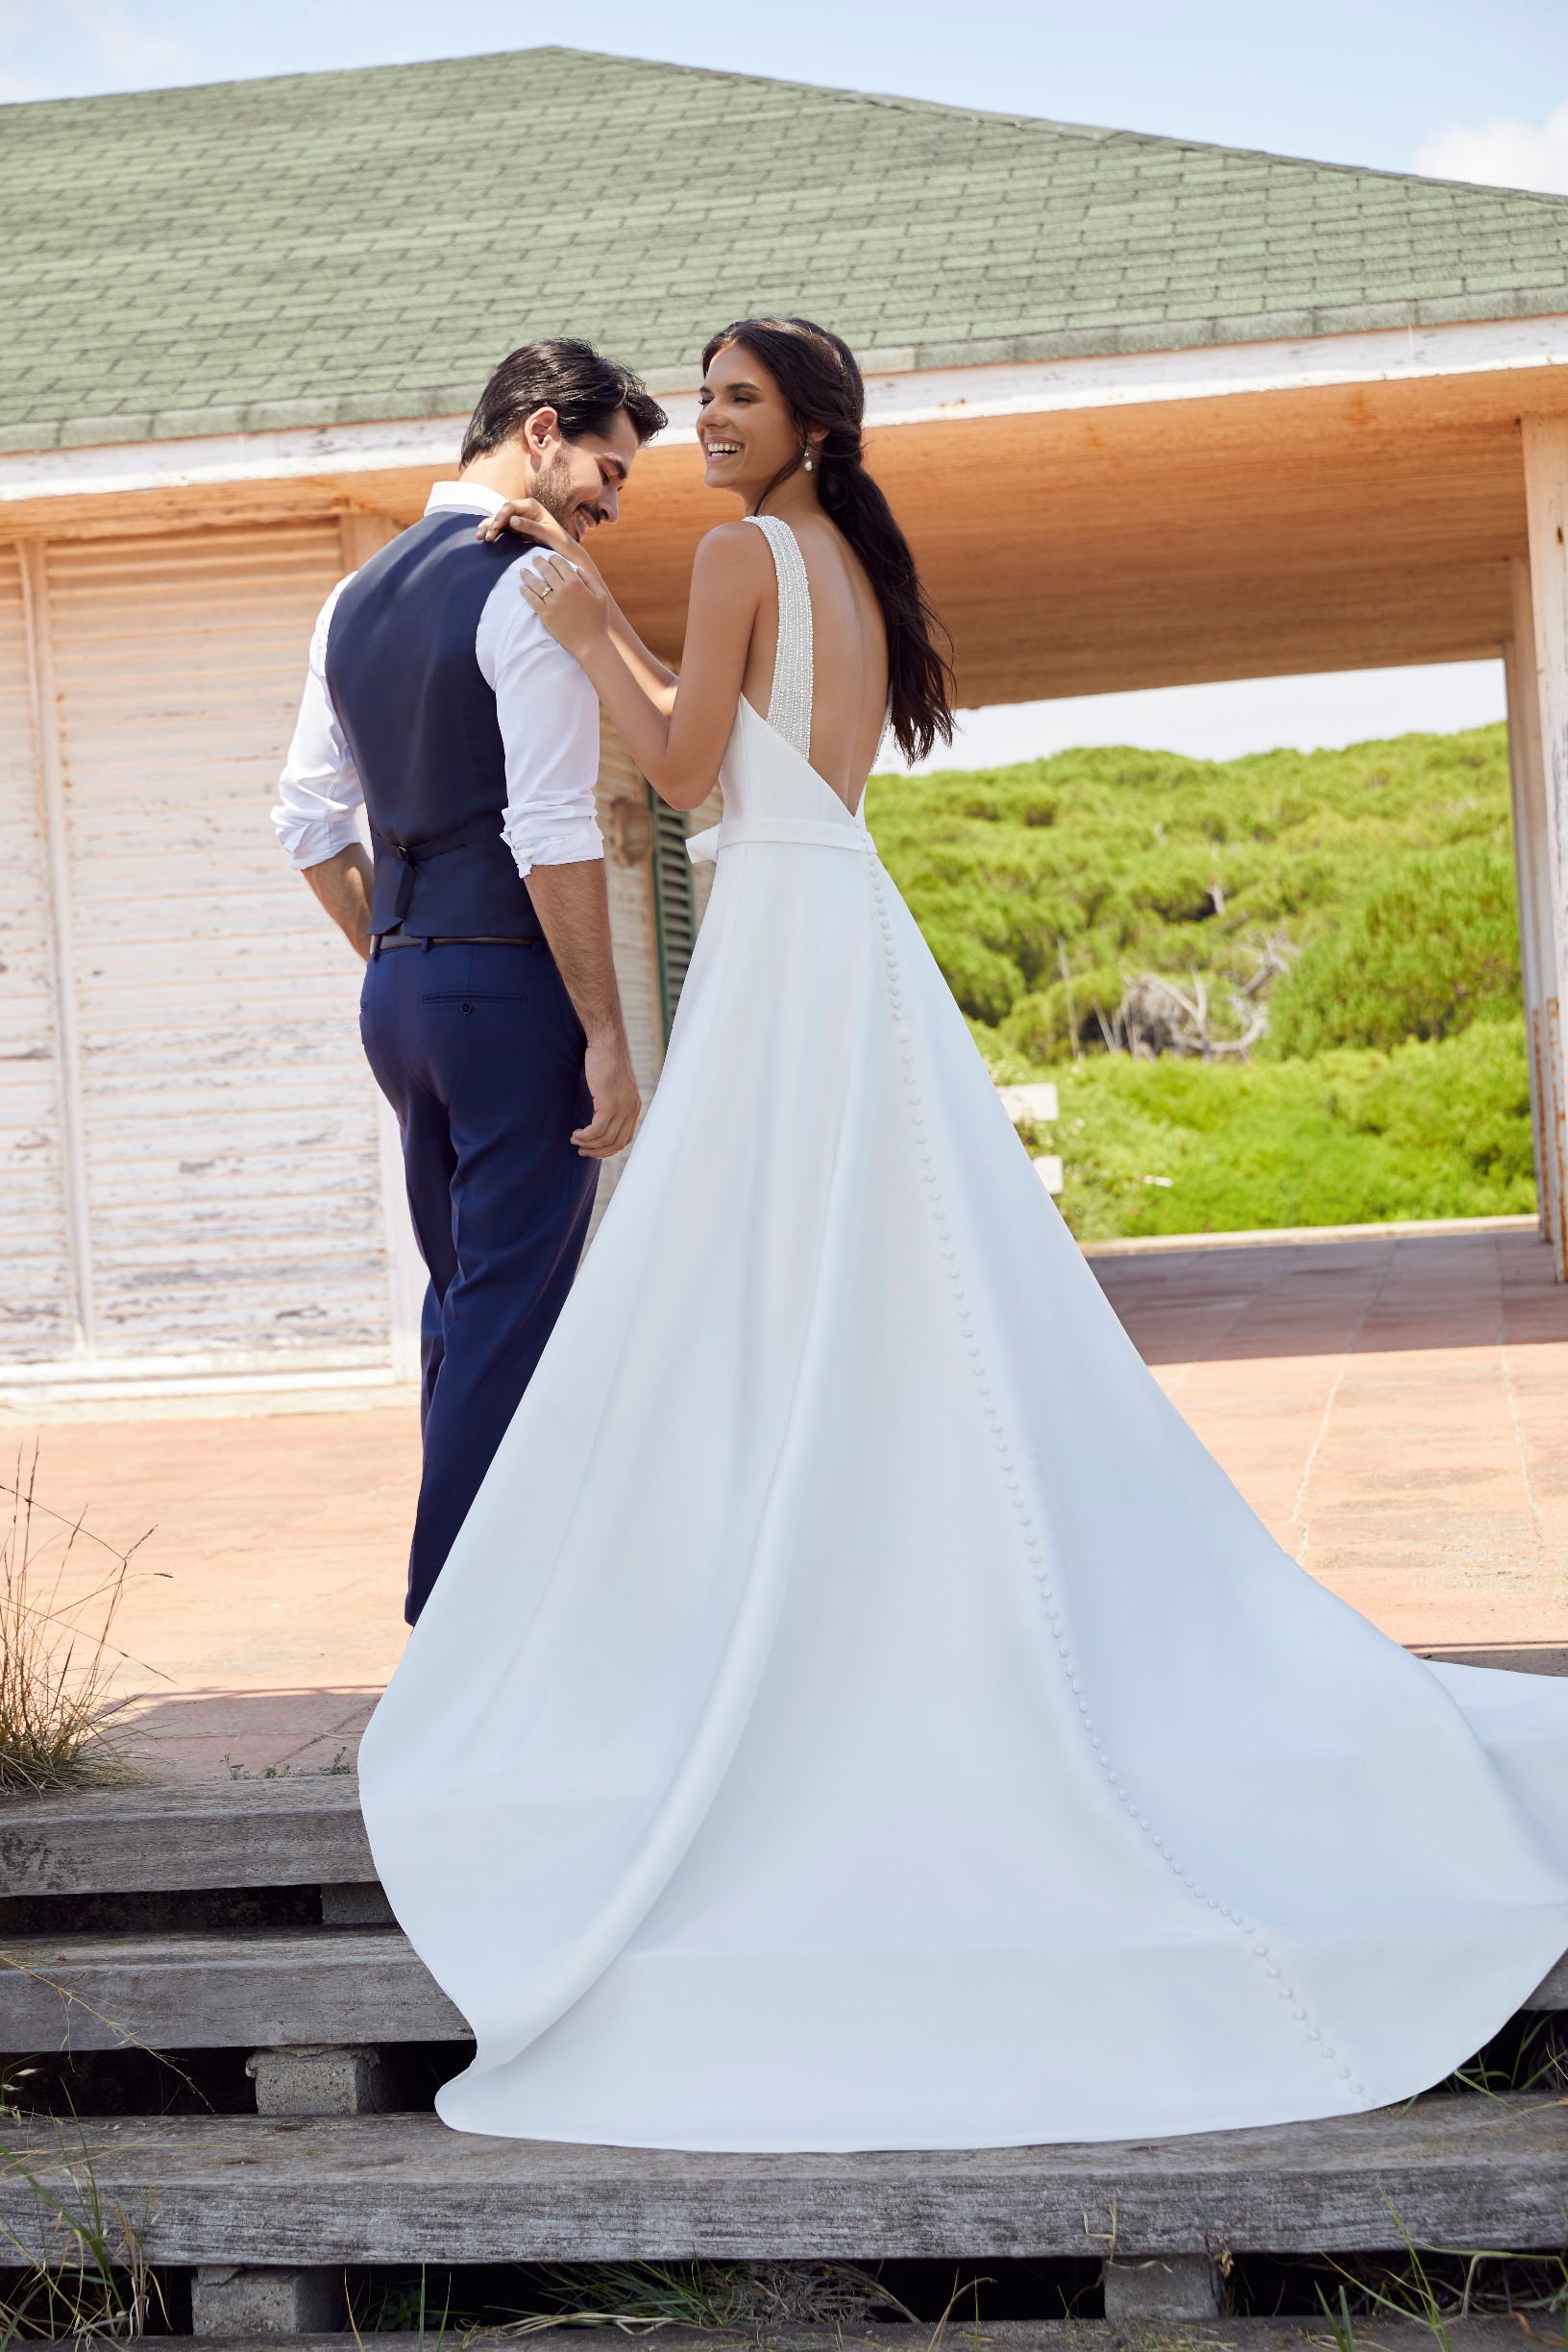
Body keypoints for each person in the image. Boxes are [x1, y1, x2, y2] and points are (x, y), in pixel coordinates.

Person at [357, 316, 1568, 2153]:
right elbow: (782, 782)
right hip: (849, 929)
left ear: (815, 427)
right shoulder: (844, 562)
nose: (708, 434)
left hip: (782, 940)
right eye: (708, 407)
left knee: (754, 1294)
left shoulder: (755, 552)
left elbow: (687, 773)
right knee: (886, 1295)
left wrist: (583, 619)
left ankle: (762, 1613)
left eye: (740, 404)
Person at [272, 341, 666, 1626]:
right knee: (508, 1316)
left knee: (461, 1305)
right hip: (509, 999)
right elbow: (551, 830)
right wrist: (605, 1029)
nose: (613, 500)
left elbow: (308, 821)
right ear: (543, 431)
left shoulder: (353, 596)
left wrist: (395, 954)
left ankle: (488, 1617)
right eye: (609, 467)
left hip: (401, 998)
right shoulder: (531, 585)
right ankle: (460, 1634)